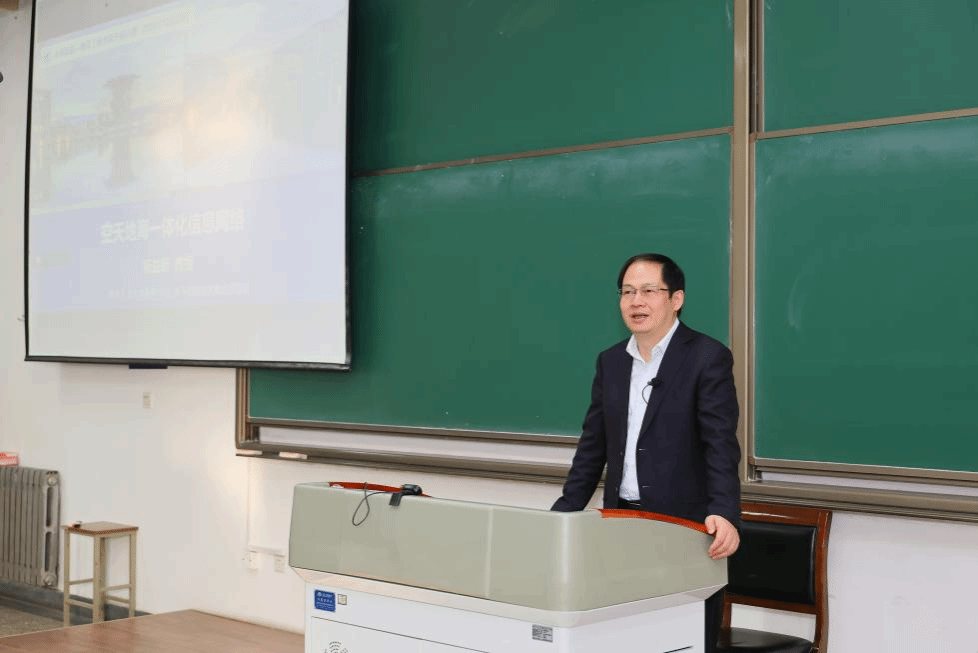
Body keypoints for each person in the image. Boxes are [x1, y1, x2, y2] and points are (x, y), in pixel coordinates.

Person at [551, 252, 741, 653]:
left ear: (676, 299)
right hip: (622, 523)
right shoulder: (611, 362)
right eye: (627, 292)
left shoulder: (706, 356)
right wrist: (561, 517)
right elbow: (592, 447)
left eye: (649, 291)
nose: (636, 301)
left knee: (685, 639)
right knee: (626, 637)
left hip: (685, 528)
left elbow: (720, 444)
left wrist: (724, 511)